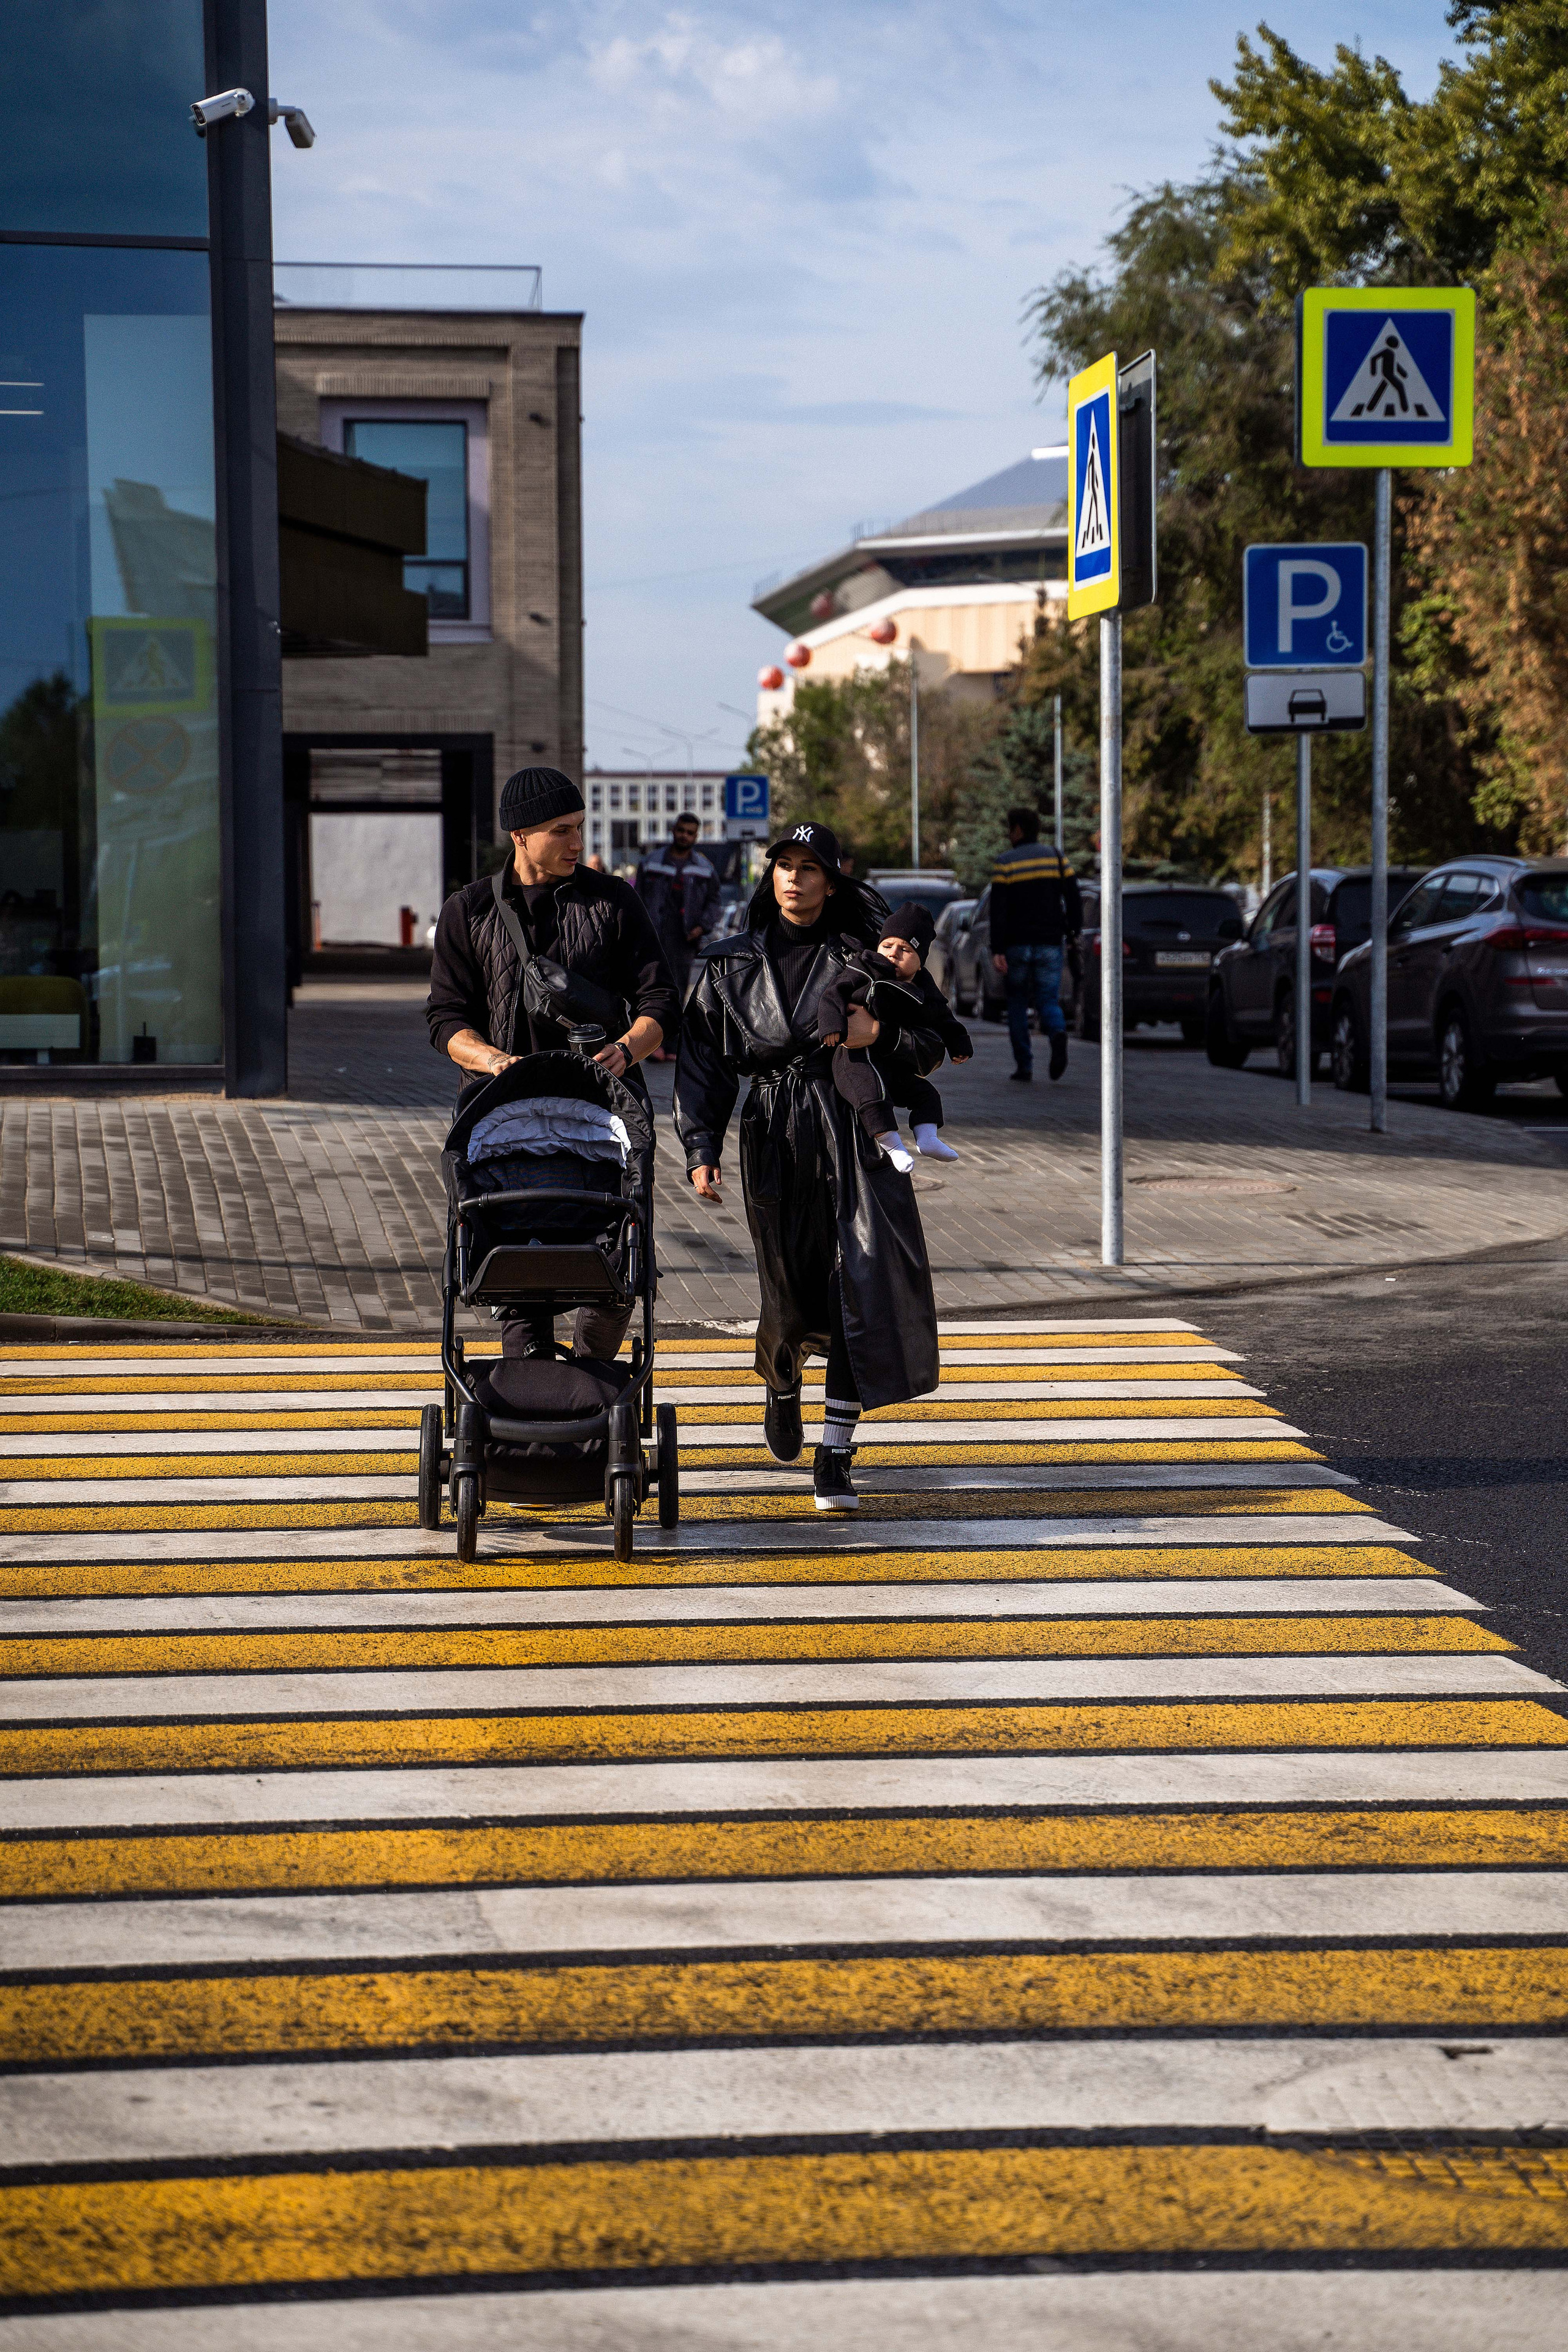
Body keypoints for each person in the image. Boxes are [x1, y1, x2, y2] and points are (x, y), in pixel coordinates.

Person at [676, 821, 944, 1512]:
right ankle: (782, 1379)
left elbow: (932, 1038)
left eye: (809, 867)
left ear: (831, 879)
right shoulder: (727, 963)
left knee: (858, 1284)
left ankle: (836, 1455)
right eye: (784, 866)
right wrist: (700, 1148)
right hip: (773, 1129)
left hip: (855, 1124)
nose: (794, 878)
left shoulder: (866, 958)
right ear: (771, 878)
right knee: (787, 1295)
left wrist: (878, 1033)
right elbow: (702, 1064)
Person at [426, 764, 680, 1360]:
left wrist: (625, 1050)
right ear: (519, 835)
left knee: (615, 1271)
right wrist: (493, 1061)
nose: (576, 843)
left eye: (579, 828)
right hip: (503, 1118)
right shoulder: (470, 911)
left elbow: (660, 1000)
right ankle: (535, 1387)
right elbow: (444, 1018)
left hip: (603, 1116)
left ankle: (594, 1376)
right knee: (515, 1269)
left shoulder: (611, 901)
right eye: (560, 830)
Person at [816, 901, 973, 1168]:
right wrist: (831, 1025)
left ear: (921, 960)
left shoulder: (925, 988)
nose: (893, 954)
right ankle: (894, 1146)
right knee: (871, 1094)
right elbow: (833, 995)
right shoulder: (864, 968)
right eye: (887, 946)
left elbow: (945, 1019)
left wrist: (959, 1044)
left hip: (894, 1064)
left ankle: (928, 1138)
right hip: (856, 1059)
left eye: (906, 949)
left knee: (927, 1095)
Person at [989, 805, 1081, 1083]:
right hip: (1050, 943)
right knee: (1047, 999)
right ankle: (1057, 1032)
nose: (1008, 834)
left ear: (1018, 830)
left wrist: (998, 949)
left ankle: (1025, 1067)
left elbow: (998, 910)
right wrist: (1073, 929)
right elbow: (1074, 897)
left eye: (1010, 829)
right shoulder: (1056, 857)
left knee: (1017, 1004)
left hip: (1017, 945)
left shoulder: (1005, 863)